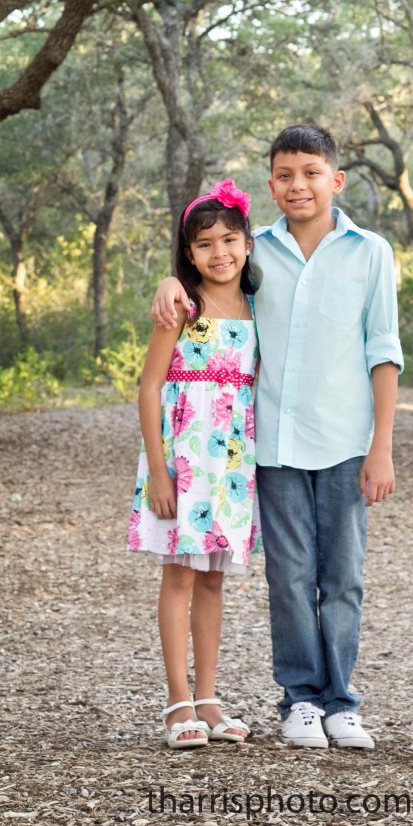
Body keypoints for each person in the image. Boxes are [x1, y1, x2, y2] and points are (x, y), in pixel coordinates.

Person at [153, 125, 403, 750]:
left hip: (346, 440)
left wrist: (383, 445)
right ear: (271, 186)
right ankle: (300, 702)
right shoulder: (253, 250)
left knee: (342, 576)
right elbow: (204, 272)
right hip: (272, 446)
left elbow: (383, 350)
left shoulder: (370, 252)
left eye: (311, 173)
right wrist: (167, 282)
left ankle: (341, 701)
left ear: (335, 180)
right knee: (289, 578)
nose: (299, 185)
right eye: (286, 175)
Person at [128, 179, 262, 749]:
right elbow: (149, 387)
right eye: (204, 244)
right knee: (179, 574)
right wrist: (159, 473)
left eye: (229, 240)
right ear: (188, 254)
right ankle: (177, 703)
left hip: (231, 461)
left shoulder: (257, 305)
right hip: (183, 459)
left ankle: (208, 700)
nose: (219, 253)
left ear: (248, 244)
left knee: (213, 580)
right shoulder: (183, 305)